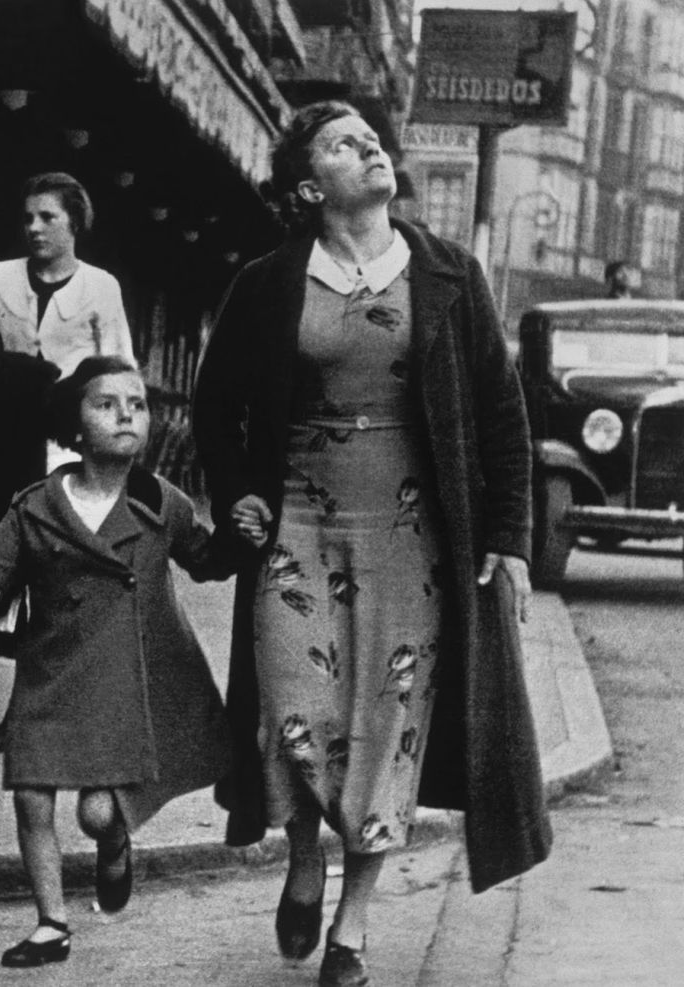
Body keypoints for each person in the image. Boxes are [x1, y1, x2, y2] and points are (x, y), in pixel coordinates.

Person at [191, 100, 552, 987]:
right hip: (298, 524)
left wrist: (508, 539)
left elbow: (505, 420)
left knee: (389, 723)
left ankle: (352, 926)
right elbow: (216, 406)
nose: (372, 147)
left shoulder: (449, 276)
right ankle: (304, 854)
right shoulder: (270, 282)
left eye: (374, 138)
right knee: (296, 705)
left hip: (414, 537)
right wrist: (238, 494)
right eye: (345, 143)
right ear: (311, 185)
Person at [0, 356, 235, 968]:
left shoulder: (163, 504)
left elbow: (207, 559)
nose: (126, 413)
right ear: (74, 426)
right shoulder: (35, 508)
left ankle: (114, 847)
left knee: (97, 811)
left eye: (136, 403)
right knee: (32, 796)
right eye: (106, 403)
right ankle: (51, 923)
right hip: (52, 671)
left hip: (125, 681)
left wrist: (242, 535)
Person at [0, 172, 136, 750]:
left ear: (74, 223)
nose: (33, 227)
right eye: (28, 217)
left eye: (48, 218)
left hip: (65, 446)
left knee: (53, 577)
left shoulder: (100, 288)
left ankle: (25, 712)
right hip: (3, 441)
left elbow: (117, 370)